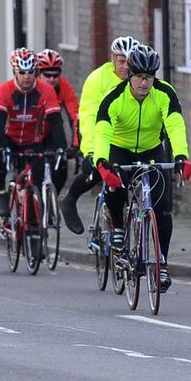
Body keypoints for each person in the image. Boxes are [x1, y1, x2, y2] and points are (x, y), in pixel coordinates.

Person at [92, 45, 191, 292]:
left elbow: (175, 125)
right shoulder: (114, 98)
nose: (145, 83)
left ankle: (161, 264)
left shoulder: (164, 93)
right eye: (139, 77)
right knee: (116, 187)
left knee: (163, 208)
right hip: (119, 147)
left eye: (149, 77)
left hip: (152, 149)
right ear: (130, 76)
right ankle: (117, 226)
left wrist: (181, 156)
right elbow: (103, 131)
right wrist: (102, 163)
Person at [59, 35, 140, 234]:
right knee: (96, 170)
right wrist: (91, 152)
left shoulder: (141, 79)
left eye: (130, 62)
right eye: (121, 61)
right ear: (113, 59)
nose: (125, 67)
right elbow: (88, 117)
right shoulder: (97, 79)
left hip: (128, 141)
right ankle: (70, 200)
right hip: (101, 136)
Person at [0, 47, 67, 220]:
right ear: (15, 71)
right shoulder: (3, 91)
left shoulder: (46, 90)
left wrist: (61, 147)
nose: (26, 77)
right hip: (9, 138)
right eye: (22, 72)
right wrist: (2, 148)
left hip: (33, 140)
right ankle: (1, 193)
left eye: (31, 72)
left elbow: (56, 122)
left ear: (36, 71)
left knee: (36, 188)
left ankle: (34, 231)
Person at [36, 48, 79, 195]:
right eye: (47, 75)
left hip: (52, 132)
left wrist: (75, 144)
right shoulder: (31, 86)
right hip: (31, 132)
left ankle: (51, 202)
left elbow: (74, 115)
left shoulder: (63, 86)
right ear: (38, 73)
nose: (52, 79)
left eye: (56, 74)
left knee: (61, 169)